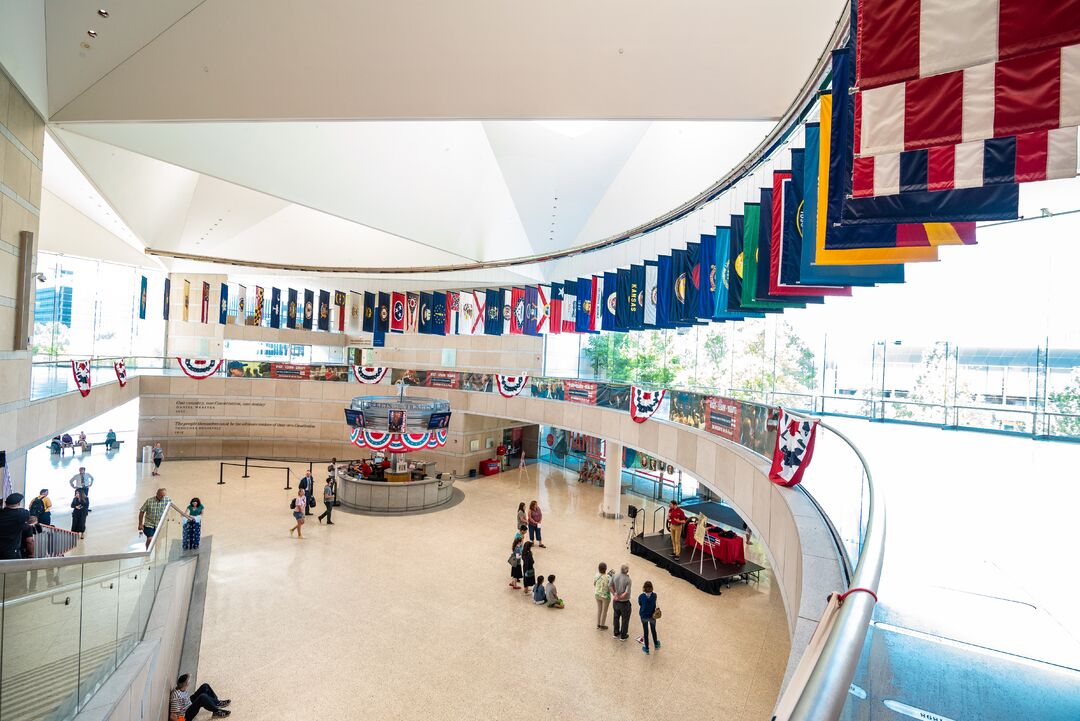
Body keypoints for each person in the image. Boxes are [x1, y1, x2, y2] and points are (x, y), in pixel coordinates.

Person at [0, 494, 30, 560]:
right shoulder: (21, 514)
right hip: (11, 551)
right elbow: (27, 515)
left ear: (5, 503)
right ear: (18, 503)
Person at [611, 564, 632, 641]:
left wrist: (614, 595)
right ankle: (623, 635)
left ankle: (616, 633)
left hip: (615, 602)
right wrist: (620, 598)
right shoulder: (628, 580)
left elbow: (610, 586)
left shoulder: (614, 576)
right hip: (624, 603)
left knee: (616, 617)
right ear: (627, 571)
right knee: (625, 619)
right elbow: (626, 592)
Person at [638, 580, 660, 654]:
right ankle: (656, 644)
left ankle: (646, 648)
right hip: (652, 616)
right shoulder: (654, 595)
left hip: (644, 616)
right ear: (651, 588)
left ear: (644, 588)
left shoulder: (641, 596)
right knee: (653, 630)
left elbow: (640, 604)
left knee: (646, 632)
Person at [594, 562, 612, 630]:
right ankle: (602, 625)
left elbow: (594, 584)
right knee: (604, 611)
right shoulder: (608, 577)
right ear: (606, 569)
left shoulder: (596, 575)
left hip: (597, 594)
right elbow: (610, 587)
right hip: (605, 596)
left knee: (599, 609)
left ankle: (598, 624)